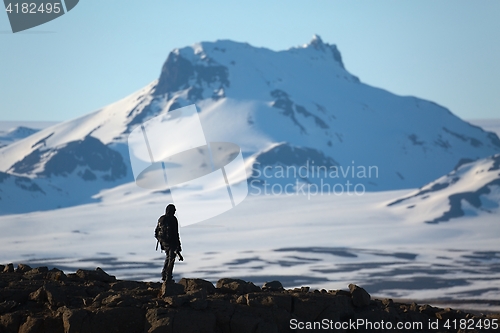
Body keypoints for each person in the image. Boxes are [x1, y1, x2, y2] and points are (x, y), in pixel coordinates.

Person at [155, 204, 182, 282]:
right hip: (171, 242)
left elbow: (156, 231)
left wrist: (161, 240)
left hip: (164, 243)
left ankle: (164, 274)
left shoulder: (161, 219)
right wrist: (178, 245)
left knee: (168, 257)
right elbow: (175, 233)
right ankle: (168, 277)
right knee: (171, 259)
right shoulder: (173, 219)